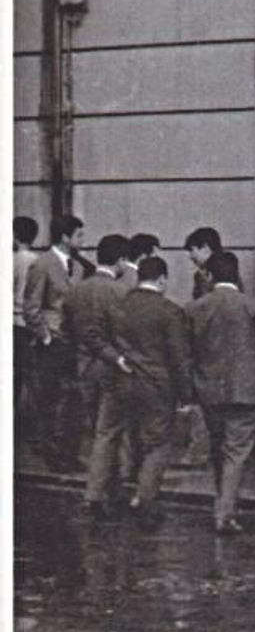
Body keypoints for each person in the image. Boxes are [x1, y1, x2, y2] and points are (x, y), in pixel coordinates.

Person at [186, 251, 255, 534]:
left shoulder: (195, 308)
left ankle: (222, 502)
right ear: (237, 275)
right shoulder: (252, 306)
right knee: (236, 452)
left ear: (209, 276)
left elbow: (188, 353)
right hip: (246, 390)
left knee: (218, 448)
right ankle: (224, 514)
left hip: (209, 391)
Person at [102, 257, 194, 529]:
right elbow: (179, 358)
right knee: (157, 444)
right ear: (162, 279)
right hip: (156, 385)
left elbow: (105, 341)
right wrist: (185, 395)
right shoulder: (170, 311)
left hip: (123, 381)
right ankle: (145, 499)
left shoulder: (119, 306)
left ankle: (121, 493)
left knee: (127, 440)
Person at [64, 235, 134, 514]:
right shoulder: (119, 292)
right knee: (109, 432)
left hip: (84, 367)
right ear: (119, 261)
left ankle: (112, 489)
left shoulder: (77, 290)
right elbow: (125, 333)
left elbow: (68, 328)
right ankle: (94, 494)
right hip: (112, 367)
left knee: (99, 430)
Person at [24, 214, 88, 472]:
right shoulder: (43, 264)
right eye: (79, 235)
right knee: (50, 401)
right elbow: (31, 307)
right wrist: (46, 336)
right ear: (65, 236)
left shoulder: (80, 266)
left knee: (73, 401)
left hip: (74, 344)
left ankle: (70, 454)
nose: (83, 240)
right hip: (52, 344)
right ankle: (53, 457)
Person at [13, 216, 40, 444]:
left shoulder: (11, 260)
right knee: (32, 377)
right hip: (29, 324)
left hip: (14, 322)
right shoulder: (37, 260)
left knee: (14, 377)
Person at [184, 226, 222, 300]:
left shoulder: (226, 272)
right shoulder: (199, 275)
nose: (191, 256)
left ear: (205, 247)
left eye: (192, 250)